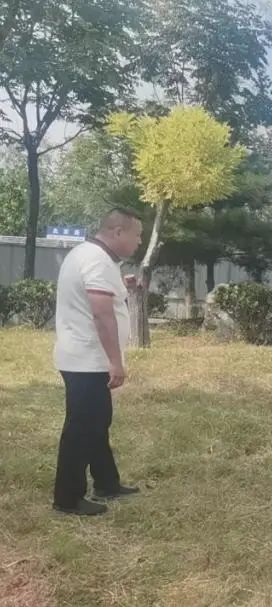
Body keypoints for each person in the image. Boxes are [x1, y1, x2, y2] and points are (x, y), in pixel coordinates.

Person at [52, 208, 143, 516]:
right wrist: (116, 362)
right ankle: (67, 499)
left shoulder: (89, 255)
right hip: (87, 359)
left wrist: (121, 286)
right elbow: (101, 314)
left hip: (82, 357)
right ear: (118, 232)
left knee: (97, 422)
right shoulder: (97, 260)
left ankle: (107, 482)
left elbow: (98, 296)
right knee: (82, 427)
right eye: (137, 235)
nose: (139, 241)